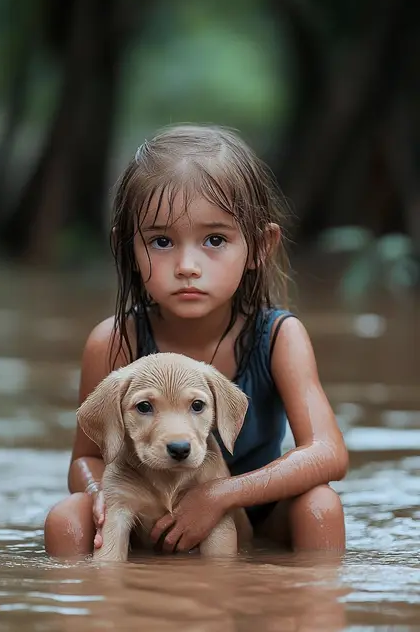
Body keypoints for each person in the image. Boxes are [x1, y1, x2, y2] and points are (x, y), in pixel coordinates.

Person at [44, 124, 348, 558]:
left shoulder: (279, 337)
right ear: (128, 249)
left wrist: (221, 496)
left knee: (321, 505)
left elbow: (328, 453)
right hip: (144, 507)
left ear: (261, 246)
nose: (188, 265)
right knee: (66, 517)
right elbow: (86, 458)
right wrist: (98, 494)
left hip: (253, 512)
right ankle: (97, 617)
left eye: (215, 240)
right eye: (162, 241)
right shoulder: (115, 340)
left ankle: (308, 617)